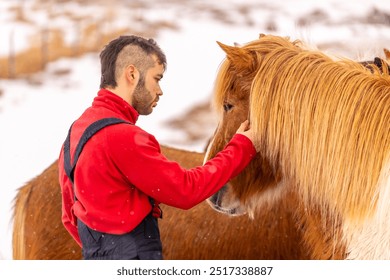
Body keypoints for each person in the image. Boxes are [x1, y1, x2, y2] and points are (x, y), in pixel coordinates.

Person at [58, 35, 259, 260]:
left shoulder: (76, 133)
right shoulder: (123, 137)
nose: (160, 90)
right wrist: (242, 146)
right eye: (157, 78)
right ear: (132, 74)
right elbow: (186, 190)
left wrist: (105, 252)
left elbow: (69, 217)